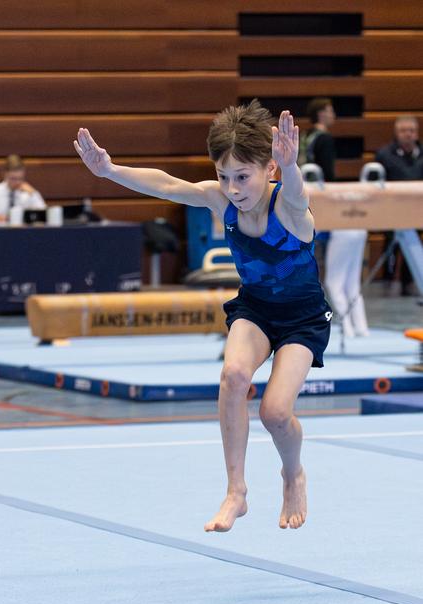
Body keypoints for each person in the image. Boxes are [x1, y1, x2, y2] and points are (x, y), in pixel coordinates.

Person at [74, 100, 332, 532]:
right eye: (223, 176)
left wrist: (291, 169)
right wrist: (110, 171)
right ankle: (237, 492)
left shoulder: (288, 210)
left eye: (242, 177)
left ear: (269, 170)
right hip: (256, 308)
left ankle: (293, 473)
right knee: (233, 375)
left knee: (274, 413)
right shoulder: (221, 201)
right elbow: (169, 185)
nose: (232, 188)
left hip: (303, 318)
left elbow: (296, 193)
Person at [305, 98, 369, 337]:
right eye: (331, 110)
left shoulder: (306, 138)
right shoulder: (324, 140)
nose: (334, 115)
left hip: (324, 210)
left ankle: (351, 329)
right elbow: (328, 176)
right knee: (348, 282)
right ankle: (358, 329)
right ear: (321, 114)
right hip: (337, 213)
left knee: (337, 281)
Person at [375, 115, 423, 295]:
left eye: (411, 131)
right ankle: (388, 278)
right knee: (392, 244)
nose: (408, 134)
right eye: (404, 131)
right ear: (397, 133)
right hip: (391, 210)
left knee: (414, 243)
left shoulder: (421, 153)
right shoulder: (384, 154)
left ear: (416, 133)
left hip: (418, 209)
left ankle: (409, 280)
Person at [0, 155, 46, 222]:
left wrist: (33, 193)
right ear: (5, 174)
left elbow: (43, 214)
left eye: (20, 179)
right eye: (13, 179)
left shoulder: (28, 194)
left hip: (23, 231)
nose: (17, 182)